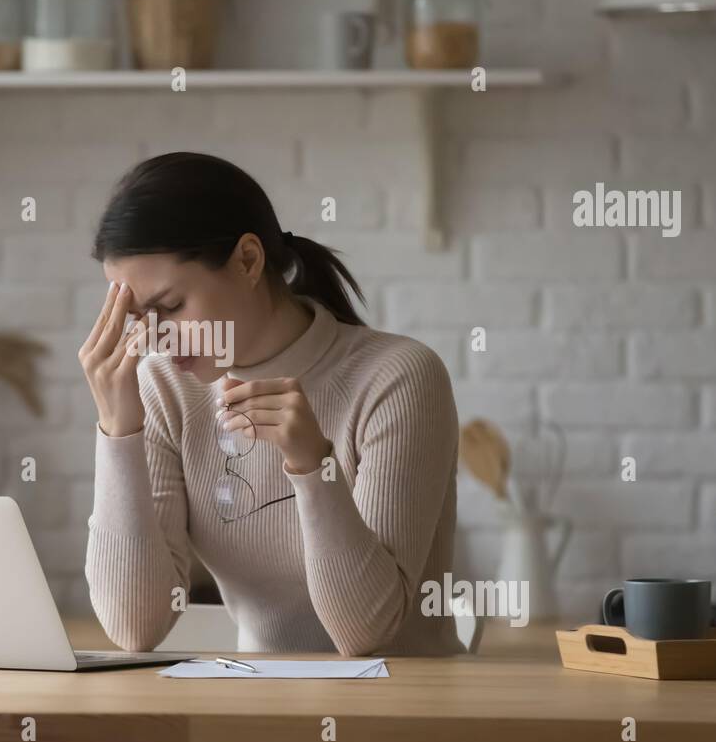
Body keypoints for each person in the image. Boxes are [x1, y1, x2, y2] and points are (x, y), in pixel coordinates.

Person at [79, 152, 462, 657]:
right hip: (259, 707)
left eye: (170, 307)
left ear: (248, 261)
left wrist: (314, 466)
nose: (155, 337)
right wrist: (119, 431)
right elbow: (134, 628)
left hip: (402, 715)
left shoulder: (398, 378)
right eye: (138, 315)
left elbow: (365, 633)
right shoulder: (164, 390)